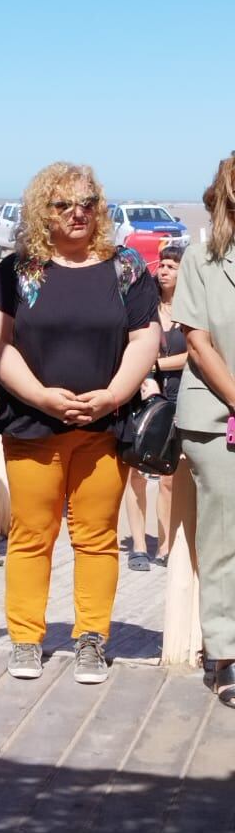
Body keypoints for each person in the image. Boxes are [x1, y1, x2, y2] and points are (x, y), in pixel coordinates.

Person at [0, 162, 159, 684]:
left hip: (104, 426)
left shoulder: (125, 268)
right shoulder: (19, 269)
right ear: (43, 211)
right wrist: (42, 397)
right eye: (64, 205)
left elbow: (144, 338)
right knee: (32, 535)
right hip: (33, 426)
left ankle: (91, 640)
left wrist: (113, 396)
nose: (78, 214)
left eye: (88, 204)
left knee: (97, 537)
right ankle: (26, 640)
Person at [172, 154, 235, 708]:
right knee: (225, 537)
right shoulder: (202, 257)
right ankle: (226, 652)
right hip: (219, 417)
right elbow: (198, 341)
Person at [123, 246, 186, 570]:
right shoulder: (144, 308)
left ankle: (164, 545)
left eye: (172, 266)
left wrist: (157, 364)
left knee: (168, 476)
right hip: (142, 394)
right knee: (135, 471)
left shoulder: (189, 310)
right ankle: (136, 545)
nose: (164, 270)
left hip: (176, 397)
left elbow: (196, 353)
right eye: (161, 265)